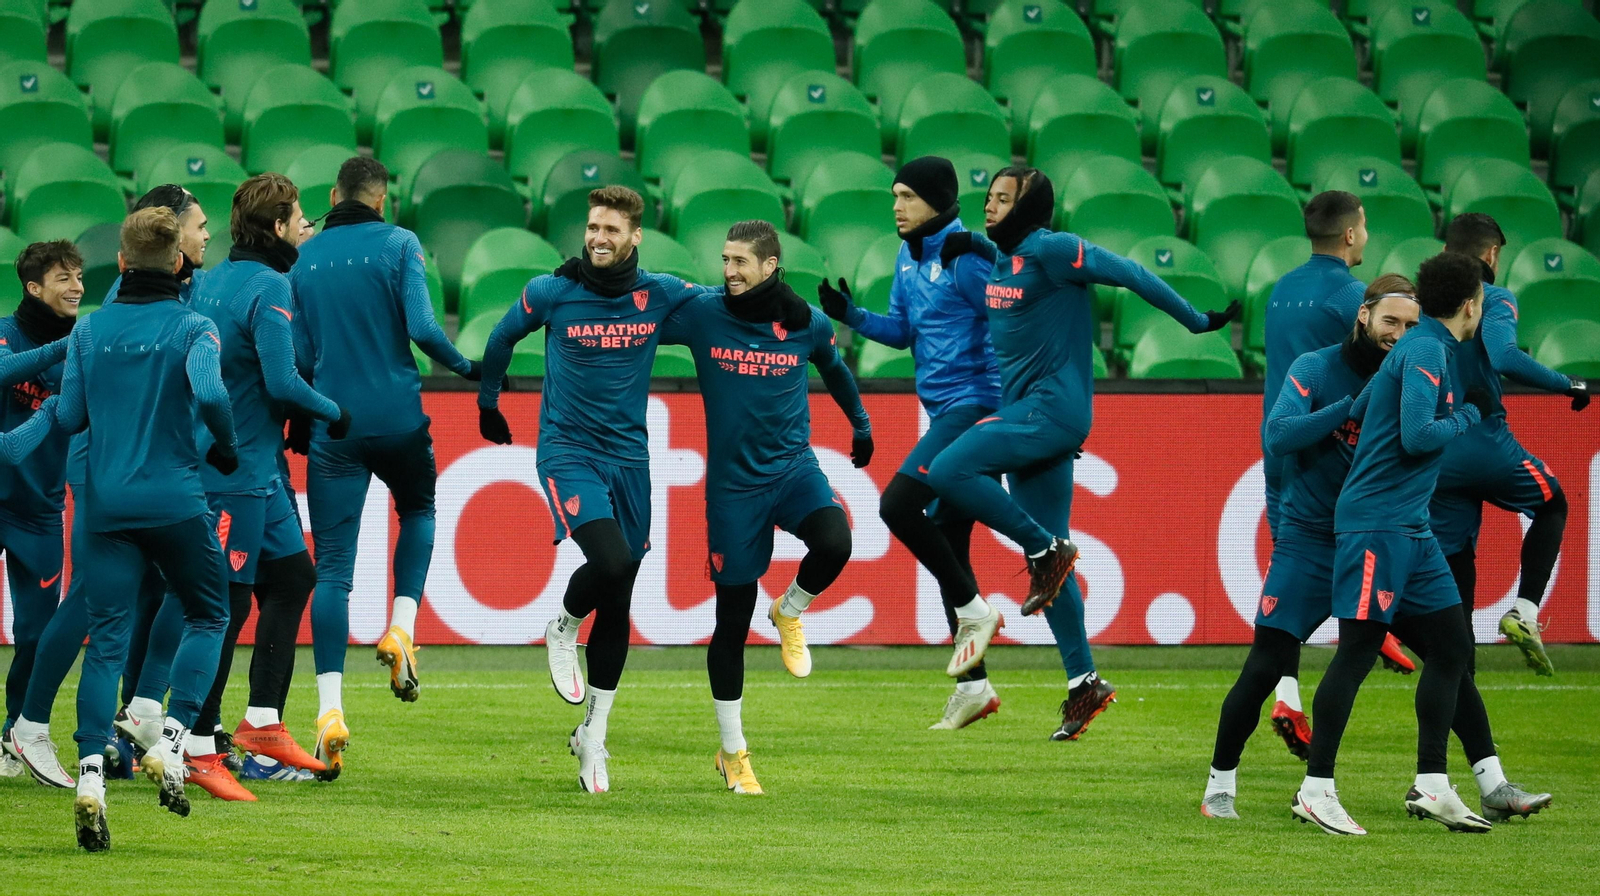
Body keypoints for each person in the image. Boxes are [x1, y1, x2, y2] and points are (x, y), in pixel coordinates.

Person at [927, 167, 1238, 741]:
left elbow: (1131, 273)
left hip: (1053, 410)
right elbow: (978, 243)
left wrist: (1195, 321)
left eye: (1002, 199)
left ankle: (1047, 550)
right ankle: (1083, 683)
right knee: (1047, 564)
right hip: (1028, 414)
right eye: (988, 198)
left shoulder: (1054, 249)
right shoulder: (1001, 254)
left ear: (1030, 206)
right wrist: (968, 239)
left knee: (947, 470)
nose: (989, 208)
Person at [476, 185, 708, 794]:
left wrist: (788, 309)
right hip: (569, 454)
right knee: (612, 560)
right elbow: (501, 338)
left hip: (631, 462)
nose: (598, 238)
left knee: (622, 589)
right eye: (592, 227)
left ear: (636, 237)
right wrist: (488, 400)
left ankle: (594, 738)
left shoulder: (658, 294)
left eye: (611, 230)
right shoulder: (553, 291)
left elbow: (728, 308)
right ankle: (563, 623)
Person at [121, 174, 346, 801]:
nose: (306, 227)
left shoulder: (211, 278)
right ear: (276, 228)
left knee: (294, 577)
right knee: (222, 604)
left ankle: (263, 726)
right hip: (237, 472)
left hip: (253, 468)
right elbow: (280, 380)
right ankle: (192, 741)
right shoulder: (271, 284)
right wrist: (335, 411)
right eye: (299, 217)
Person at [4, 186, 211, 787]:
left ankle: (136, 716)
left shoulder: (172, 289)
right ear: (170, 239)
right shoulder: (135, 294)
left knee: (152, 589)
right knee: (96, 598)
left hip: (139, 466)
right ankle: (35, 722)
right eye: (198, 226)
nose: (205, 236)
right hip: (111, 462)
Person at [48, 207, 239, 850]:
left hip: (104, 509)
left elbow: (71, 415)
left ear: (121, 264)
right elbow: (212, 396)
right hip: (176, 502)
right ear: (179, 263)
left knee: (105, 644)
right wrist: (228, 446)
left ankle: (92, 779)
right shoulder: (193, 327)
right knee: (210, 612)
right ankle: (175, 741)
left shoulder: (88, 333)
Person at [1293, 252, 1504, 835]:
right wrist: (1468, 416)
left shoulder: (1422, 348)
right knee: (1358, 652)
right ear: (1471, 305)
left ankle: (1433, 784)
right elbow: (1416, 436)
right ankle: (1316, 789)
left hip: (1410, 526)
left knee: (1453, 647)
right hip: (1378, 526)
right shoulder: (1429, 349)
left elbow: (1374, 412)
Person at [291, 156, 481, 780]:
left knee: (333, 572)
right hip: (398, 417)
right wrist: (468, 368)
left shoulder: (306, 256)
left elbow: (298, 353)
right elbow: (424, 327)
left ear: (332, 194)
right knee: (420, 510)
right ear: (382, 197)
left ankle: (328, 713)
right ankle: (401, 627)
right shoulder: (400, 242)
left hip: (334, 425)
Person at [663, 220, 870, 794]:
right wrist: (585, 282)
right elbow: (640, 306)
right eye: (724, 259)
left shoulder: (806, 322)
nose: (728, 271)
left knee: (836, 541)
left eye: (740, 262)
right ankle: (733, 752)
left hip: (793, 470)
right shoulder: (703, 313)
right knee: (730, 621)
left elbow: (836, 368)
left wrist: (861, 425)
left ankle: (790, 609)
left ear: (770, 266)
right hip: (733, 491)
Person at [1203, 276, 1419, 817]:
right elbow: (1277, 436)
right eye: (1391, 320)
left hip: (1378, 541)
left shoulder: (1415, 378)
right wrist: (1348, 409)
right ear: (1363, 316)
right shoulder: (1316, 369)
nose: (1401, 333)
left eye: (1412, 325)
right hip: (1309, 543)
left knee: (1450, 656)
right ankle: (1219, 786)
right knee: (1264, 667)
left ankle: (1463, 780)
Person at [816, 157, 1007, 730]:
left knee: (897, 504)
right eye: (894, 195)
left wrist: (987, 252)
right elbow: (903, 331)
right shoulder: (908, 255)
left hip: (976, 408)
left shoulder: (964, 257)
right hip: (944, 412)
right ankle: (973, 686)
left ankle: (977, 612)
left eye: (907, 196)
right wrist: (851, 316)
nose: (896, 206)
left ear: (938, 200)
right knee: (949, 539)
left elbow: (1013, 313)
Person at [1256, 191, 1413, 753]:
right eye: (1365, 227)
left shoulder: (1281, 289)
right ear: (1351, 235)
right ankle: (1379, 625)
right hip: (1332, 445)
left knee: (1289, 571)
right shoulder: (1353, 295)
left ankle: (1288, 694)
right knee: (1364, 537)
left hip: (1281, 444)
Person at [1430, 213, 1589, 677]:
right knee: (1552, 503)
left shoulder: (1421, 304)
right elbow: (1502, 355)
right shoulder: (1492, 297)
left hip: (1434, 452)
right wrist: (1567, 384)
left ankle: (1463, 684)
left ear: (1444, 252)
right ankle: (1524, 610)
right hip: (1484, 443)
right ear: (1492, 254)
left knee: (1457, 567)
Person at [0, 241, 81, 781]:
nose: (76, 285)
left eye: (78, 275)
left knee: (37, 632)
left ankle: (14, 735)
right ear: (33, 287)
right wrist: (62, 350)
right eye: (62, 278)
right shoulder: (6, 331)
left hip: (39, 510)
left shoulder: (88, 341)